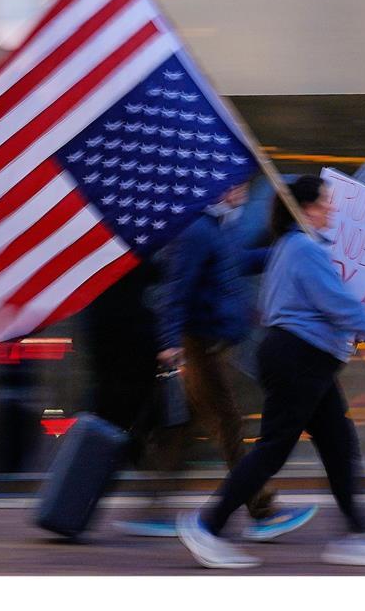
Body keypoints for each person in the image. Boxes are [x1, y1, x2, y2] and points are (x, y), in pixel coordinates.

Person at [176, 174, 365, 568]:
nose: (332, 207)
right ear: (308, 208)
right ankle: (207, 525)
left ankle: (359, 533)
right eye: (326, 201)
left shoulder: (295, 246)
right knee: (275, 449)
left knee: (338, 444)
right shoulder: (303, 249)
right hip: (300, 358)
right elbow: (341, 304)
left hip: (301, 358)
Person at [116, 180, 317, 541]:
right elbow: (175, 291)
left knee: (181, 432)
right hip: (200, 348)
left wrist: (286, 249)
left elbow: (240, 262)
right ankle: (262, 510)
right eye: (237, 184)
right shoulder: (196, 230)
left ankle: (152, 509)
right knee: (229, 428)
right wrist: (168, 342)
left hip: (216, 347)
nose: (243, 190)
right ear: (217, 187)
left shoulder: (220, 228)